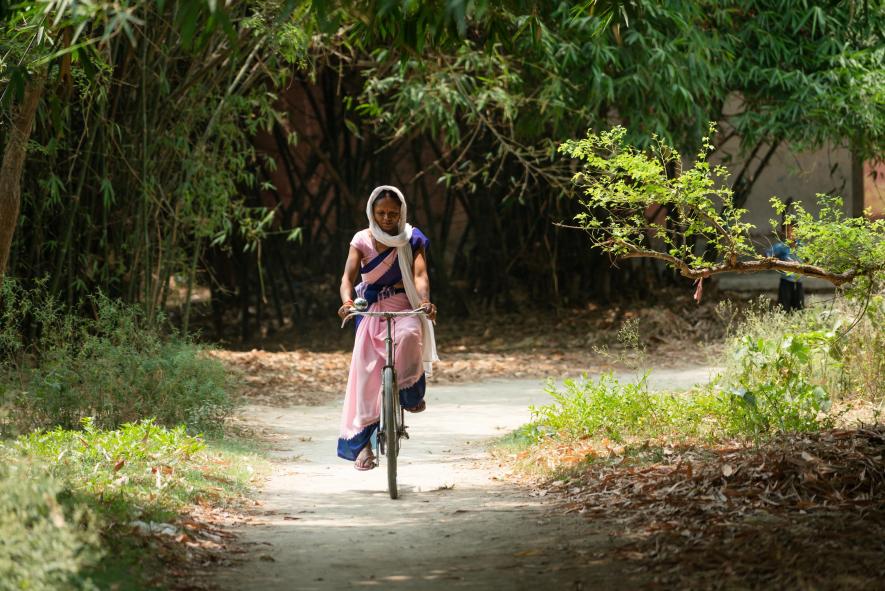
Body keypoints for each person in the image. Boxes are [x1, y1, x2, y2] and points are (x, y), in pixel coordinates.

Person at [336, 185, 439, 470]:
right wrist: (347, 301)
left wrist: (425, 301)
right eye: (381, 212)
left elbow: (419, 275)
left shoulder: (411, 238)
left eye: (393, 213)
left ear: (402, 212)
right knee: (366, 374)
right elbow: (347, 277)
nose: (387, 218)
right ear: (371, 212)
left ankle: (409, 394)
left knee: (408, 335)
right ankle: (363, 446)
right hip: (369, 308)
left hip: (404, 303)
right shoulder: (362, 240)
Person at [766, 222, 804, 312]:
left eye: (792, 230)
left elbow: (809, 259)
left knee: (799, 308)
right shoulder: (781, 246)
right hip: (786, 281)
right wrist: (772, 260)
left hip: (799, 281)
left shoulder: (802, 246)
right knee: (784, 307)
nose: (790, 233)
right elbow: (768, 253)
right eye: (787, 230)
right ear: (784, 232)